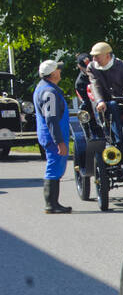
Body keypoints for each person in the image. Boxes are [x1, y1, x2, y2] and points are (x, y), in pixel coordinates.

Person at [34, 59, 72, 214]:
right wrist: (59, 142)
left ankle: (53, 203)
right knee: (54, 168)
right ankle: (51, 204)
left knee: (55, 167)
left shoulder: (43, 88)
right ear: (53, 73)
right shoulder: (49, 92)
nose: (60, 72)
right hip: (52, 137)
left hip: (49, 135)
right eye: (58, 69)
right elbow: (51, 118)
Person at [87, 41, 123, 122]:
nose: (94, 59)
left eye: (97, 56)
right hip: (106, 105)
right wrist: (100, 101)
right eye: (93, 56)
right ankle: (118, 135)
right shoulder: (92, 67)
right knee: (112, 105)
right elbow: (95, 85)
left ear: (108, 56)